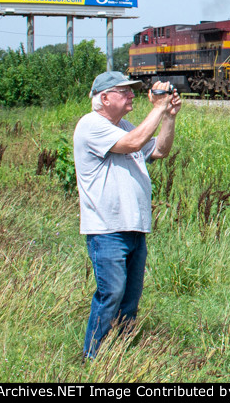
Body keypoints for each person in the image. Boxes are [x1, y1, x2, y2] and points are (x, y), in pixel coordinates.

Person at [74, 71, 181, 359]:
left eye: (132, 90)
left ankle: (119, 354)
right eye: (125, 91)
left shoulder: (125, 126)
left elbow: (159, 150)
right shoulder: (91, 125)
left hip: (134, 227)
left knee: (130, 299)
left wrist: (168, 116)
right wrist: (157, 108)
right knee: (111, 295)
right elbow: (134, 143)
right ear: (105, 98)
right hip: (107, 229)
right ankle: (92, 356)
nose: (132, 94)